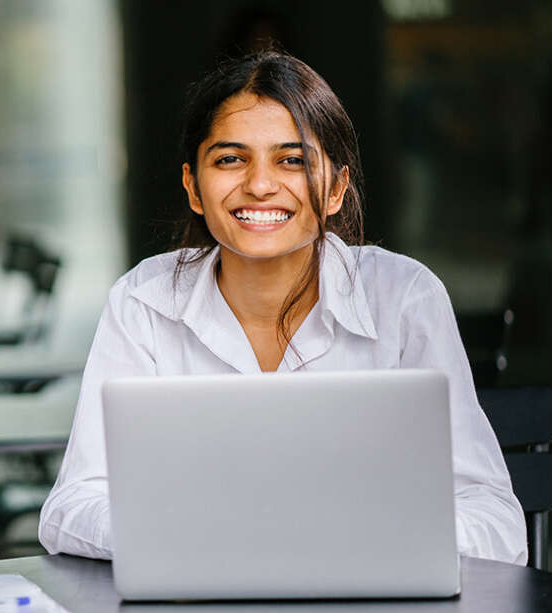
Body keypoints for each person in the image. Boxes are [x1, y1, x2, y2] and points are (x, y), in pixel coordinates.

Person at [38, 49, 527, 565]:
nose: (260, 184)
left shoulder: (404, 298)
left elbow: (493, 518)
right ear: (194, 188)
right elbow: (72, 505)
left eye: (292, 160)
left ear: (337, 187)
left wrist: (358, 543)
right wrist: (213, 541)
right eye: (230, 159)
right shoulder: (143, 302)